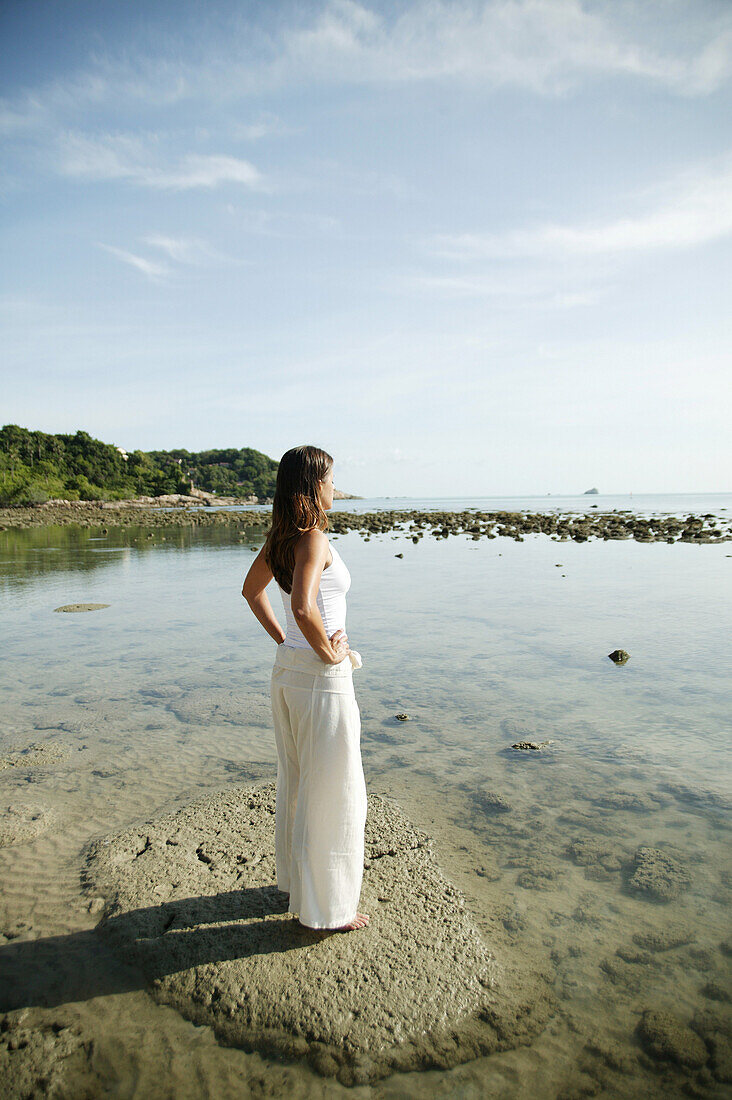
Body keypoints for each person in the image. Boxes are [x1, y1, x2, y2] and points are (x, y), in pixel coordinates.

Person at [241, 445, 369, 933]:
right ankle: (329, 911)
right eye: (331, 480)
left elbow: (252, 591)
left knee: (298, 782)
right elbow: (302, 605)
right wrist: (328, 652)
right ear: (314, 485)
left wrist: (288, 644)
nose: (335, 488)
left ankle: (299, 886)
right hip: (318, 679)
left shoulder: (281, 537)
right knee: (336, 790)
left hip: (288, 674)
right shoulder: (312, 537)